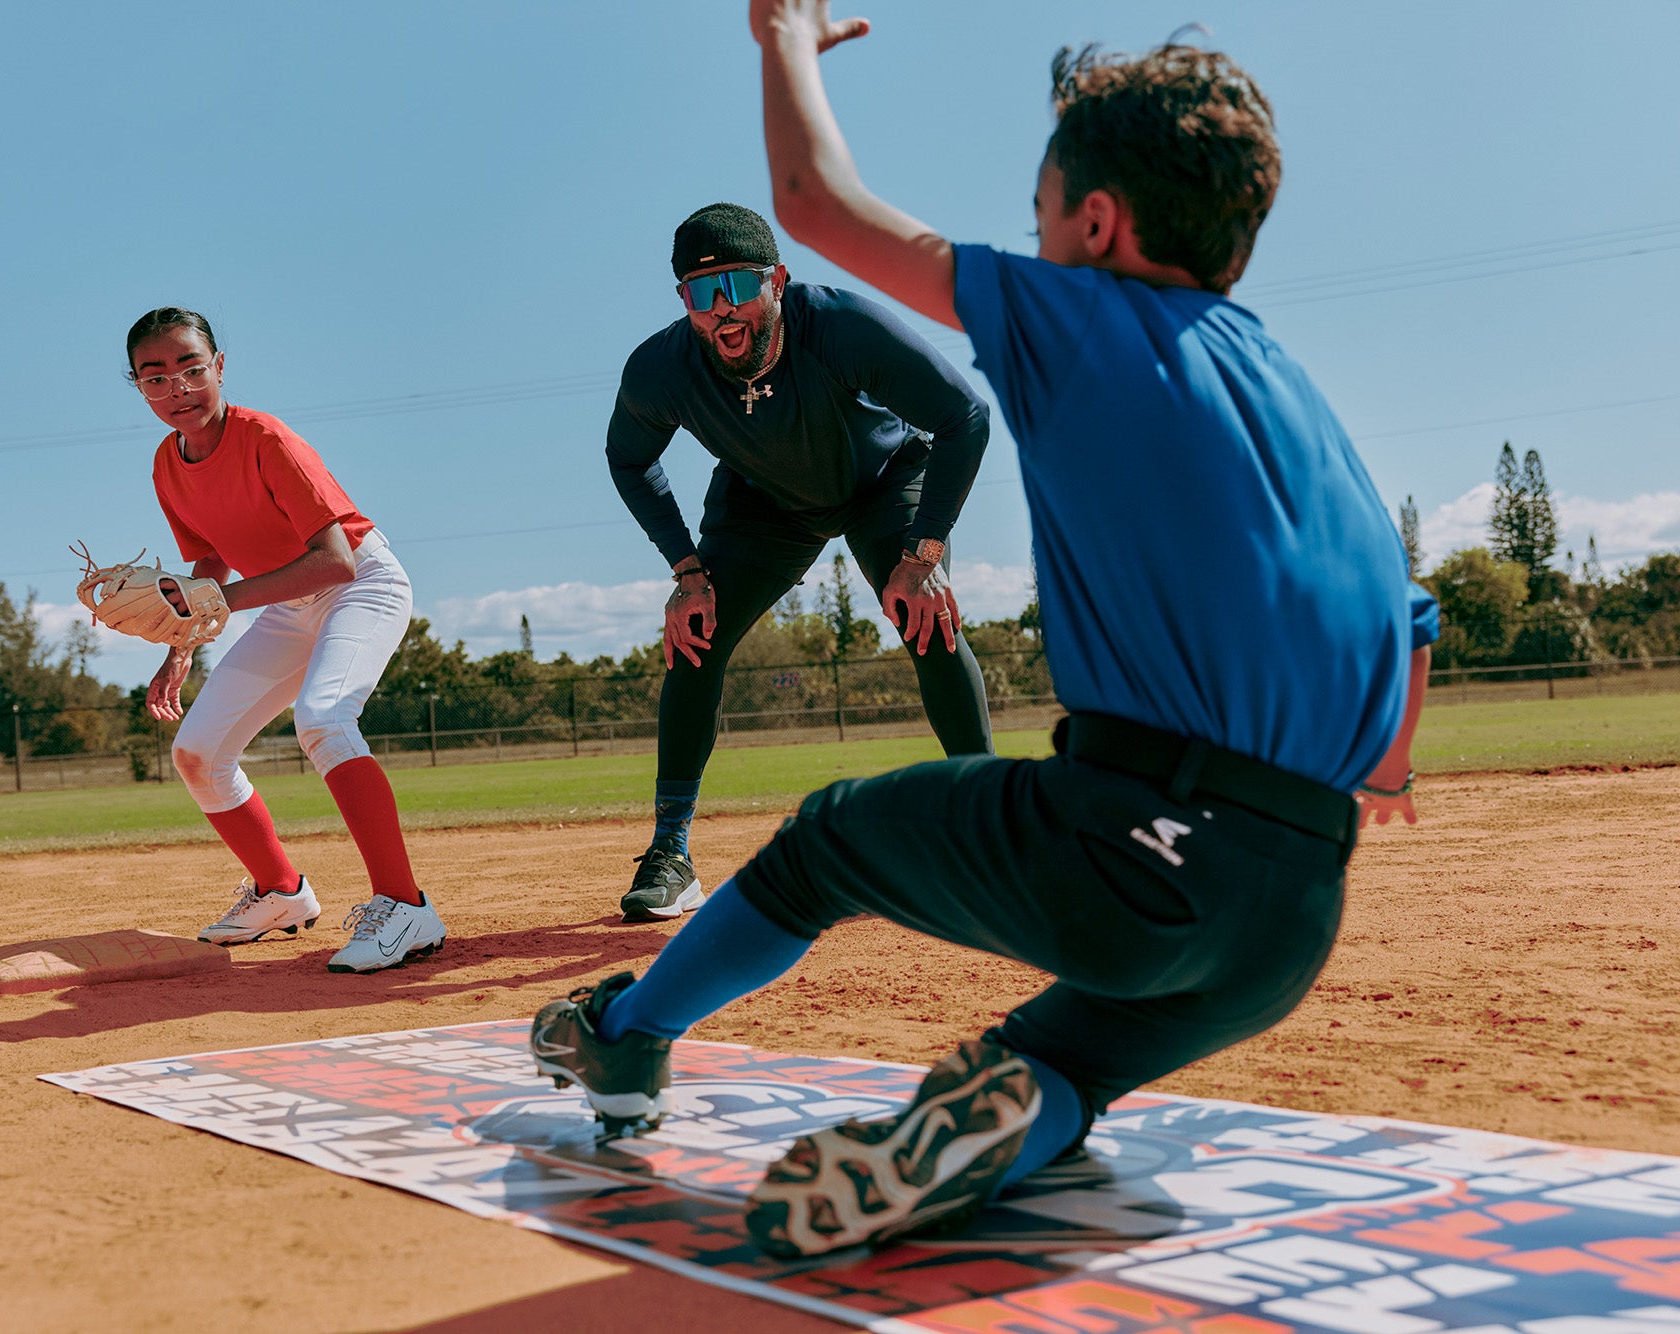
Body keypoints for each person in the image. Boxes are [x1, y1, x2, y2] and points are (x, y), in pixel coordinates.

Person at [531, 5, 1439, 1260]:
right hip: (1290, 915)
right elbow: (1408, 622)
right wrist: (1381, 771)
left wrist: (782, 39)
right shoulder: (1293, 388)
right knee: (1065, 1053)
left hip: (1135, 849)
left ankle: (628, 1034)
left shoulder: (1077, 317)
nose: (1033, 235)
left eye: (1039, 211)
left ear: (1096, 226)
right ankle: (1003, 1124)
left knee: (820, 843)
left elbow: (812, 202)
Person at [606, 200, 995, 921]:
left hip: (882, 483)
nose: (721, 309)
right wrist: (687, 572)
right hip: (765, 504)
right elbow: (628, 459)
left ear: (778, 281)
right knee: (695, 637)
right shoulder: (662, 368)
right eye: (699, 292)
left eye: (737, 285)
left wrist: (924, 554)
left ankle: (991, 829)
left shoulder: (841, 326)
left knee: (925, 620)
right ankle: (670, 852)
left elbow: (965, 417)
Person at [123, 307, 446, 974]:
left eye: (191, 369)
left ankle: (405, 906)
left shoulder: (266, 438)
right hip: (287, 605)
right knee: (197, 753)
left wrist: (219, 603)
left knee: (324, 719)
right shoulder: (166, 465)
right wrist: (181, 646)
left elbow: (336, 562)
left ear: (219, 367)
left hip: (362, 585)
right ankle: (280, 892)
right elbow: (210, 559)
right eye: (155, 378)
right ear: (138, 387)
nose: (177, 388)